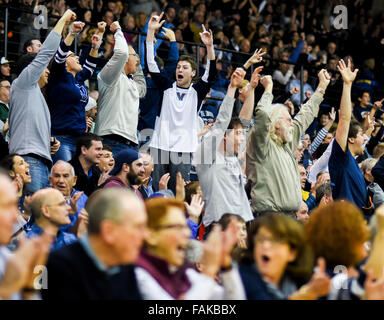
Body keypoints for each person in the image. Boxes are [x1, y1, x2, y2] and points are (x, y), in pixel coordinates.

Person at [146, 12, 216, 193]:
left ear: (193, 73)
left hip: (184, 149)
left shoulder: (196, 92)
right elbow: (151, 65)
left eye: (185, 68)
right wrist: (150, 33)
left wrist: (209, 47)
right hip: (160, 145)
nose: (180, 69)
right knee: (156, 190)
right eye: (178, 67)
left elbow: (211, 74)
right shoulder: (167, 87)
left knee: (180, 192)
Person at [8, 9, 76, 195]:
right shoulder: (23, 83)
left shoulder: (34, 94)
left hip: (42, 159)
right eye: (43, 68)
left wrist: (49, 141)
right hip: (29, 159)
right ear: (31, 70)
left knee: (42, 217)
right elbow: (45, 53)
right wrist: (63, 19)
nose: (47, 71)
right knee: (34, 213)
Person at [246, 69, 331, 217]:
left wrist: (322, 87)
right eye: (288, 120)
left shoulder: (287, 144)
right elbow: (262, 114)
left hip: (290, 216)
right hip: (270, 217)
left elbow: (305, 115)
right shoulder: (262, 144)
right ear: (275, 123)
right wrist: (268, 89)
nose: (293, 124)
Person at [42, 188, 148, 300]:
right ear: (109, 231)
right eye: (138, 227)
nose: (145, 236)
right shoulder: (59, 268)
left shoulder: (125, 265)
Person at [135, 197, 246, 299]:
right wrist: (209, 271)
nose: (187, 233)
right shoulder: (137, 275)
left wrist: (226, 264)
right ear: (151, 235)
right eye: (177, 227)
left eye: (185, 227)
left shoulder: (184, 272)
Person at [195, 67, 261, 234]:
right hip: (219, 227)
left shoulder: (233, 157)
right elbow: (222, 122)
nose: (241, 138)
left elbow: (244, 120)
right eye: (237, 134)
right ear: (224, 136)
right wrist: (232, 88)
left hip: (241, 226)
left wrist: (252, 89)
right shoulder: (207, 157)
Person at [48, 21, 105, 163]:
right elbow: (59, 55)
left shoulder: (78, 78)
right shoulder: (58, 76)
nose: (78, 57)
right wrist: (72, 33)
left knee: (75, 179)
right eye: (73, 56)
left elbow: (90, 66)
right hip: (62, 137)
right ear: (65, 62)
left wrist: (95, 46)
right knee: (64, 176)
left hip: (79, 139)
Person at [238, 213, 330, 300]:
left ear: (292, 253)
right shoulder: (243, 277)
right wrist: (307, 293)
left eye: (274, 241)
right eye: (260, 239)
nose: (265, 245)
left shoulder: (300, 279)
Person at [305, 201, 384, 299]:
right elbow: (366, 282)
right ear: (345, 238)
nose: (365, 232)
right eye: (359, 227)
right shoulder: (326, 280)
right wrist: (381, 233)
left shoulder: (357, 266)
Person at [95, 20, 146, 155]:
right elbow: (122, 53)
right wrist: (118, 31)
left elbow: (142, 88)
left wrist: (138, 63)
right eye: (135, 56)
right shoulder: (110, 76)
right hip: (110, 141)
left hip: (132, 144)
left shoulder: (132, 83)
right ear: (125, 59)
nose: (138, 60)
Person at [0, 172, 53, 300]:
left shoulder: (7, 257)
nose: (68, 208)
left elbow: (39, 289)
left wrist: (30, 287)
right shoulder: (29, 241)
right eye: (7, 206)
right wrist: (7, 289)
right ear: (45, 210)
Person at [328, 59, 368, 210]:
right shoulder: (342, 156)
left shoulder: (353, 162)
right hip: (344, 223)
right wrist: (347, 84)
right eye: (361, 135)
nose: (365, 138)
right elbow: (344, 119)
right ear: (350, 139)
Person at [49, 160, 88, 233]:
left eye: (65, 176)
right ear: (50, 180)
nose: (61, 180)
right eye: (57, 176)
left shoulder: (82, 198)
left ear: (74, 180)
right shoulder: (43, 198)